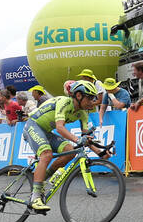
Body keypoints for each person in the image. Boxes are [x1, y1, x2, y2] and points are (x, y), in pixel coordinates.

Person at [23, 81, 99, 213]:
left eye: (94, 98)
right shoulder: (64, 102)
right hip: (33, 126)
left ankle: (42, 179)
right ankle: (35, 198)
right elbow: (59, 127)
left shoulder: (83, 113)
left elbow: (85, 138)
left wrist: (100, 152)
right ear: (79, 95)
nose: (92, 102)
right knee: (46, 154)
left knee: (71, 151)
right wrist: (77, 139)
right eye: (90, 98)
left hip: (46, 131)